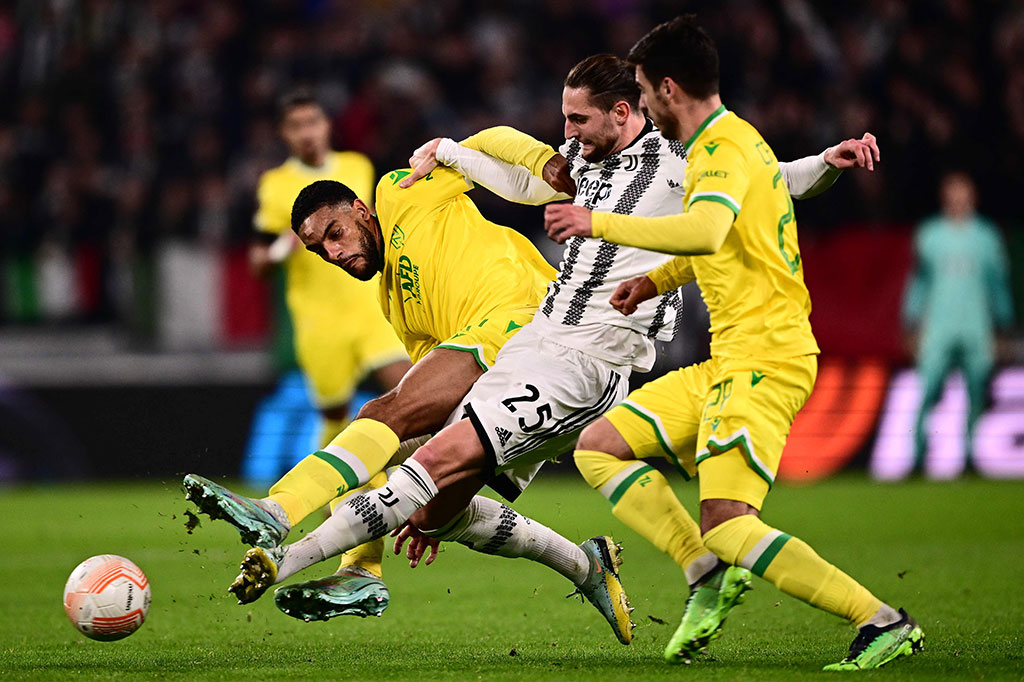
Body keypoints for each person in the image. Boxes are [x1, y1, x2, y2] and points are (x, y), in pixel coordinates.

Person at [223, 52, 873, 649]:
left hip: (570, 350)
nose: (568, 133)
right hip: (540, 345)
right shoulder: (577, 173)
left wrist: (824, 164)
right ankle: (589, 563)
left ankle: (281, 534)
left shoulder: (677, 166)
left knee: (400, 429)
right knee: (428, 504)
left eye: (576, 118)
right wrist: (461, 149)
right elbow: (502, 170)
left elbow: (769, 184)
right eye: (563, 121)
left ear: (625, 111)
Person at [542, 16, 922, 671]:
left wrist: (594, 220)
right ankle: (704, 568)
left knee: (730, 521)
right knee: (599, 447)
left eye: (643, 90)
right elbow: (732, 235)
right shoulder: (732, 143)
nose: (642, 105)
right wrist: (654, 281)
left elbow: (709, 230)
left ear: (666, 88)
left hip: (765, 361)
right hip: (730, 358)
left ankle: (882, 619)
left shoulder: (719, 152)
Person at [187, 156, 634, 641]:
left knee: (381, 414)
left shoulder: (401, 191)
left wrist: (548, 166)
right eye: (319, 250)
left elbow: (482, 151)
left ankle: (279, 513)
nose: (333, 254)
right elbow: (434, 393)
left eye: (335, 233)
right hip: (516, 381)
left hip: (533, 324)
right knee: (426, 510)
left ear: (361, 210)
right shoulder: (394, 303)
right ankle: (583, 564)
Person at [249, 88, 411, 607]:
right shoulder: (275, 186)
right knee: (338, 417)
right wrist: (274, 254)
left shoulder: (358, 167)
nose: (308, 132)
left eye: (314, 121)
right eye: (297, 125)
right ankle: (347, 503)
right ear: (286, 134)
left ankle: (421, 483)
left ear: (326, 125)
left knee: (407, 394)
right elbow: (257, 257)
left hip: (370, 312)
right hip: (317, 324)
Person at [902, 171, 1014, 476]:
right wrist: (910, 322)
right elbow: (919, 282)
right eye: (952, 191)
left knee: (976, 392)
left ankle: (968, 455)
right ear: (944, 196)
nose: (957, 197)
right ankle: (918, 457)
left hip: (976, 326)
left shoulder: (987, 237)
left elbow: (997, 284)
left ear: (972, 196)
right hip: (938, 326)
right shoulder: (929, 235)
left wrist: (1004, 325)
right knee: (926, 391)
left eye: (963, 191)